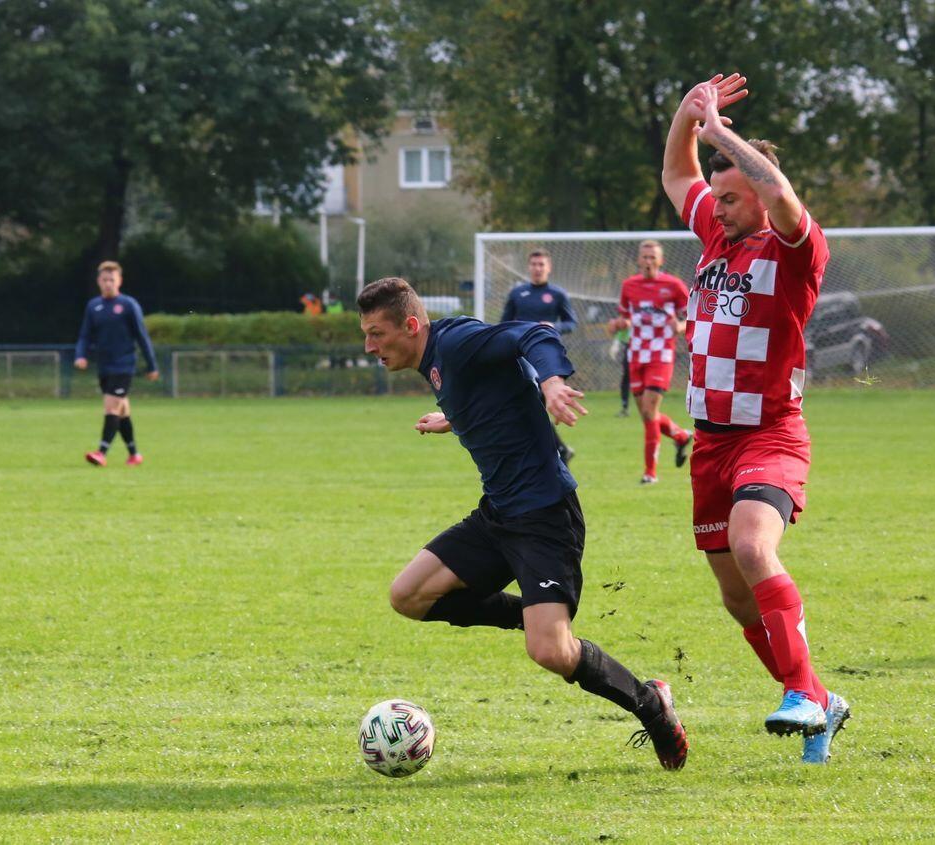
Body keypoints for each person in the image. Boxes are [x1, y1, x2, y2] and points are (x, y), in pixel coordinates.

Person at [358, 276, 688, 770]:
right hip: (497, 516)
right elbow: (496, 390)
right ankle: (534, 615)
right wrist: (454, 418)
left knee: (551, 652)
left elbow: (534, 334)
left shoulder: (458, 342)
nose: (369, 347)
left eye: (376, 334)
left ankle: (651, 704)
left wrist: (552, 382)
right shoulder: (438, 360)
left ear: (409, 325)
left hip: (545, 518)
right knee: (408, 596)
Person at [661, 72, 850, 763]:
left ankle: (801, 693)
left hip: (769, 436)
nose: (719, 208)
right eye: (718, 199)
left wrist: (720, 132)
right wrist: (688, 114)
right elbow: (676, 174)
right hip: (710, 444)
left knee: (751, 546)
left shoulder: (794, 250)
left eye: (732, 197)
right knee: (737, 600)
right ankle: (819, 699)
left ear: (759, 194)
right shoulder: (718, 233)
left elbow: (782, 197)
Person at [607, 241, 693, 484]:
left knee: (649, 410)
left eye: (652, 257)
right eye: (644, 257)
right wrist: (618, 325)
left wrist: (680, 326)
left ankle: (650, 473)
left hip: (661, 354)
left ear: (660, 260)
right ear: (638, 260)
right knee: (647, 414)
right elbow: (626, 317)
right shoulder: (629, 286)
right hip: (636, 354)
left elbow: (695, 315)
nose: (648, 261)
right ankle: (680, 436)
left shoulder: (673, 285)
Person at [74, 261, 159, 467]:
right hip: (104, 366)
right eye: (104, 280)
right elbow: (85, 335)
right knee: (122, 411)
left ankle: (101, 453)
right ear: (98, 281)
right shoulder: (93, 306)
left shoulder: (128, 305)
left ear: (119, 281)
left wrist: (152, 365)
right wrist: (80, 355)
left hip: (124, 365)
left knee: (111, 406)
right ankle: (134, 454)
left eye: (112, 280)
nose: (108, 283)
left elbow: (142, 336)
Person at [501, 249, 578, 465]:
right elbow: (503, 324)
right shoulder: (517, 294)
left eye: (541, 264)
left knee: (533, 405)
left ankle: (556, 451)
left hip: (547, 358)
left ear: (548, 267)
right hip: (522, 356)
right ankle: (558, 450)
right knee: (530, 407)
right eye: (534, 264)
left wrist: (554, 326)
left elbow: (571, 323)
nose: (537, 268)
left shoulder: (558, 294)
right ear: (529, 267)